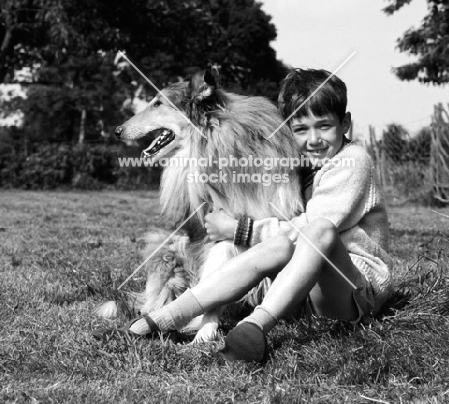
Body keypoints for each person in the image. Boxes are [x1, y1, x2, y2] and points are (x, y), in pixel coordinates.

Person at [93, 68, 394, 363]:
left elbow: (310, 229)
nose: (313, 139)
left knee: (319, 232)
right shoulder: (309, 162)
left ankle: (255, 326)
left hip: (356, 293)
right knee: (274, 245)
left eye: (324, 126)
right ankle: (169, 318)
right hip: (307, 295)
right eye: (300, 130)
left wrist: (242, 230)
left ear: (345, 124)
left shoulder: (353, 162)